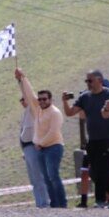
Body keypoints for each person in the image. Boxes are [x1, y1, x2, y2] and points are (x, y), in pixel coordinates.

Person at [63, 70, 109, 208]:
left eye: (90, 80)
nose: (88, 83)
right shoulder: (85, 97)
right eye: (86, 81)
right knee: (95, 171)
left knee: (102, 170)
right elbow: (70, 112)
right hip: (93, 139)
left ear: (100, 80)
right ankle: (101, 201)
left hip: (108, 138)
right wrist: (65, 101)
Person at [15, 68, 66, 208]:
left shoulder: (55, 112)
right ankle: (54, 204)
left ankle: (62, 204)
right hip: (41, 148)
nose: (42, 101)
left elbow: (53, 131)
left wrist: (40, 143)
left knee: (53, 176)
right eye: (40, 99)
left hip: (53, 147)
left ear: (50, 99)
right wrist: (22, 79)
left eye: (45, 99)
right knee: (47, 178)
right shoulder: (38, 110)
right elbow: (30, 94)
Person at [16, 95, 49, 208]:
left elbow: (28, 91)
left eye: (23, 99)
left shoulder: (33, 111)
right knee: (34, 179)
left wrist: (21, 80)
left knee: (38, 177)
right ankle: (39, 203)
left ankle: (44, 203)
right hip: (27, 148)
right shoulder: (26, 113)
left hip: (33, 146)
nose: (22, 102)